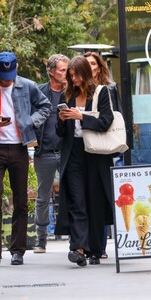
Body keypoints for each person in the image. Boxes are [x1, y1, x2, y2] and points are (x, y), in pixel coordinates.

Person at [0, 51, 52, 266]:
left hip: (19, 148)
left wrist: (29, 122)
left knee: (21, 200)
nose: (8, 79)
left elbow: (45, 106)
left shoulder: (27, 85)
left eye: (12, 74)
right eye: (4, 75)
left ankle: (18, 250)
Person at [54, 55, 114, 266]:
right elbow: (60, 132)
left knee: (95, 201)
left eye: (76, 75)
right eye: (71, 75)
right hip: (74, 153)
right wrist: (62, 120)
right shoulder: (67, 94)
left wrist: (81, 117)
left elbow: (106, 122)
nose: (74, 79)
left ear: (86, 74)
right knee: (77, 201)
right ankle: (78, 248)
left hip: (96, 154)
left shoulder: (101, 92)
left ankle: (95, 249)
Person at [84, 51, 124, 258]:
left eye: (93, 63)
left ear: (99, 67)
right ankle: (93, 245)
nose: (90, 67)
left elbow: (114, 117)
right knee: (91, 197)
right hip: (85, 149)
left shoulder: (109, 89)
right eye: (87, 63)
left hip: (104, 148)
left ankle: (100, 245)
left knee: (103, 196)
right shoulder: (80, 89)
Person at [33, 54, 69, 253]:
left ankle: (75, 239)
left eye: (66, 70)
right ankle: (40, 239)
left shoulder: (71, 91)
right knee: (42, 197)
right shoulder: (39, 92)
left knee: (72, 193)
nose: (65, 74)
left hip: (67, 151)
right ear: (51, 72)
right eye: (62, 70)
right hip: (44, 152)